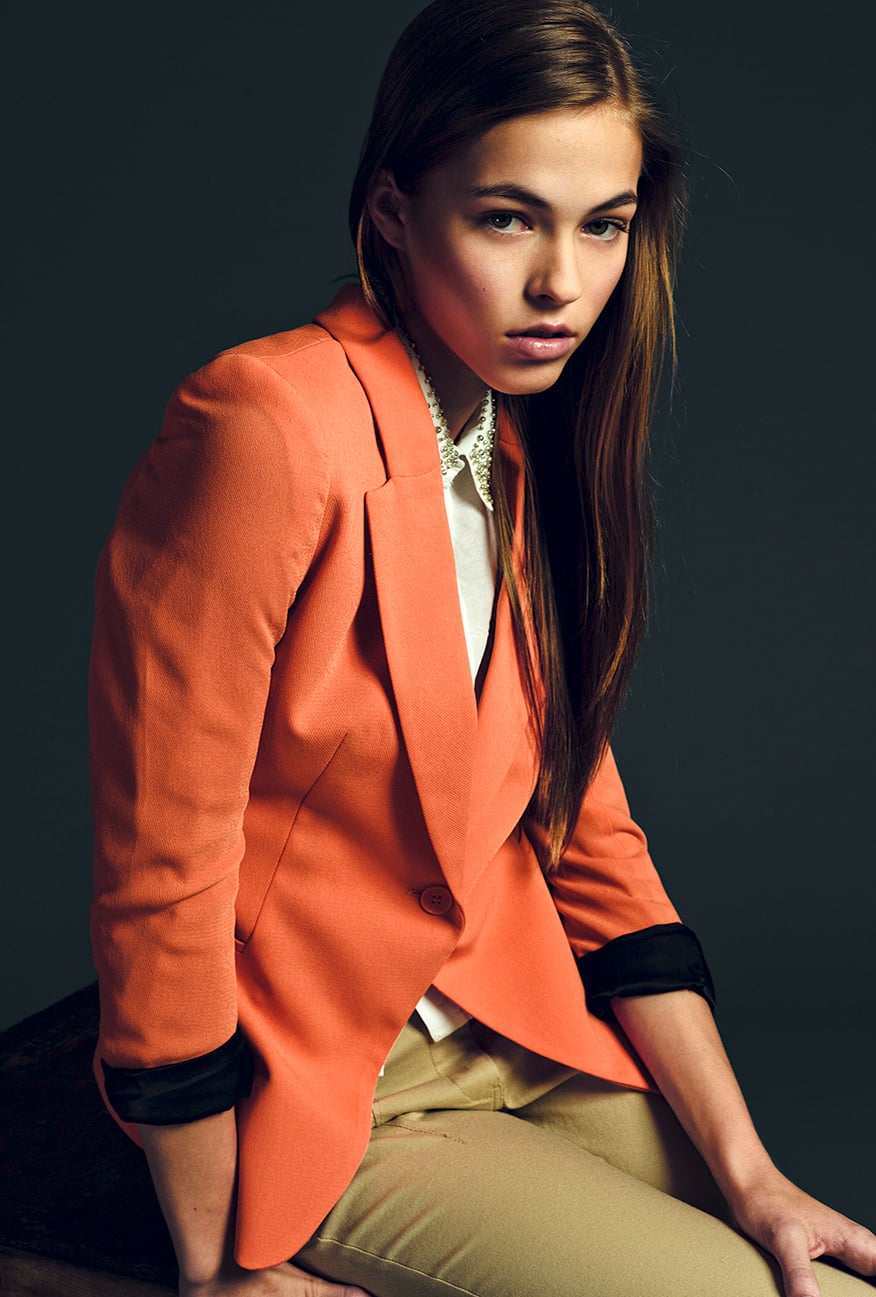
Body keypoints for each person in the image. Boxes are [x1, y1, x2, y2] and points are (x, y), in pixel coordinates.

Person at [88, 2, 876, 1295]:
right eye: (509, 218)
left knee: (816, 1274)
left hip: (526, 1032)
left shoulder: (500, 438)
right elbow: (162, 872)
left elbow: (591, 838)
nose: (563, 281)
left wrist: (755, 1174)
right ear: (393, 211)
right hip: (336, 1087)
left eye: (604, 225)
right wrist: (215, 1264)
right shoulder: (264, 424)